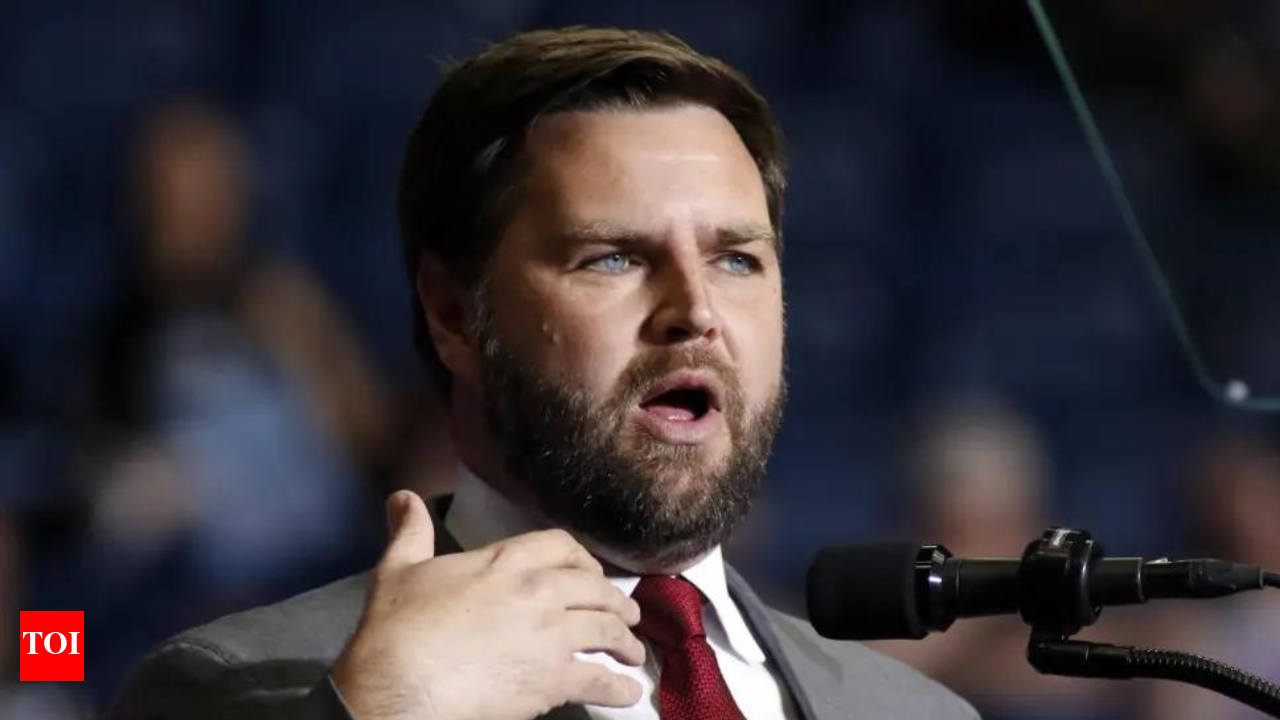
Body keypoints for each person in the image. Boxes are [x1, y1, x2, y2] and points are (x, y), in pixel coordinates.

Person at [109, 27, 978, 720]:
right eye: (612, 258)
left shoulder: (915, 711)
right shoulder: (239, 683)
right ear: (455, 313)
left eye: (737, 260)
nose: (696, 309)